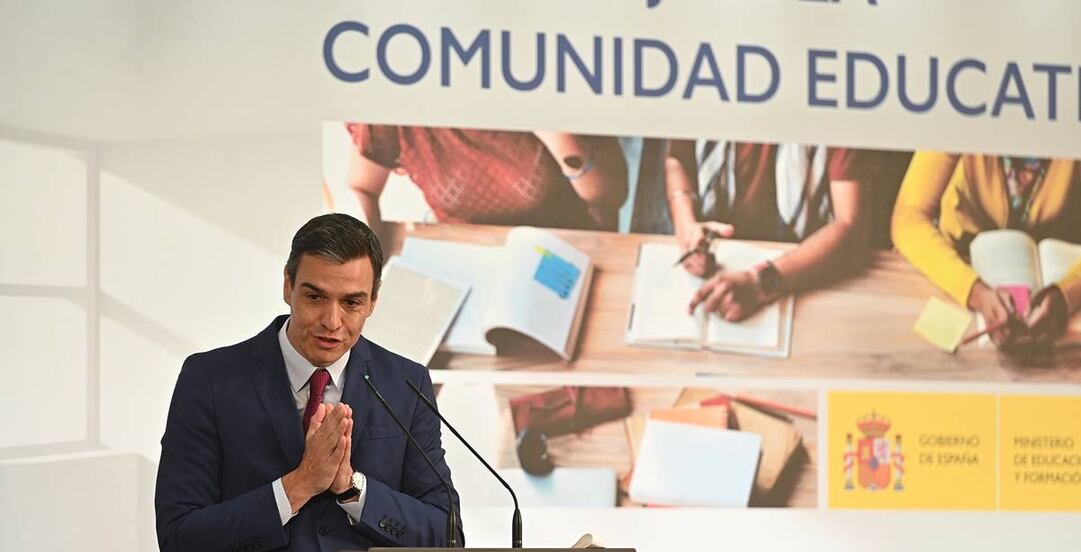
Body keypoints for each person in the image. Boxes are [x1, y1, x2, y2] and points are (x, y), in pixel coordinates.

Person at [155, 213, 461, 552]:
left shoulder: (406, 384)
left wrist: (352, 489)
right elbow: (180, 543)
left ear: (373, 302)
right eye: (315, 297)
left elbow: (446, 534)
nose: (331, 321)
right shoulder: (211, 380)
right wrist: (296, 487)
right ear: (287, 286)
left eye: (352, 302)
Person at [666, 141, 877, 321]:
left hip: (807, 266)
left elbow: (850, 225)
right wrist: (686, 224)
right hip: (720, 257)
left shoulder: (833, 104)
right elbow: (677, 160)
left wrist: (761, 282)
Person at [892, 153, 1081, 348]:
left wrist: (1070, 293)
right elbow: (908, 218)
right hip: (955, 269)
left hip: (1050, 281)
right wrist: (974, 292)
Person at [343, 124, 628, 245]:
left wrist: (554, 131)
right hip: (465, 253)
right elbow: (361, 188)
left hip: (562, 244)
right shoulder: (397, 103)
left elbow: (610, 195)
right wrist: (358, 252)